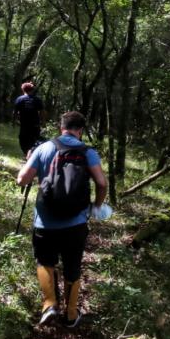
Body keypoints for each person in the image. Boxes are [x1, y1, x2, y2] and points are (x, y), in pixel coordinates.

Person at [16, 111, 109, 327]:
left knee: (45, 262)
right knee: (72, 266)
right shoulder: (88, 152)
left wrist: (30, 161)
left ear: (61, 127)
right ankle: (70, 314)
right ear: (80, 131)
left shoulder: (44, 148)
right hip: (76, 223)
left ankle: (49, 305)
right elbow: (102, 184)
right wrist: (96, 206)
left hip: (44, 223)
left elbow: (22, 180)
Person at [12, 82, 46, 155]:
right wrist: (43, 123)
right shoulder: (37, 100)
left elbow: (15, 112)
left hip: (24, 125)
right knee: (35, 140)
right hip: (35, 125)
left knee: (23, 140)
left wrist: (13, 122)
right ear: (32, 90)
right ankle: (32, 154)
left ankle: (27, 154)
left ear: (23, 90)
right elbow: (42, 112)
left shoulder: (19, 99)